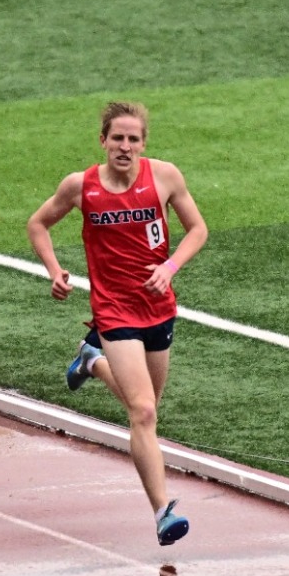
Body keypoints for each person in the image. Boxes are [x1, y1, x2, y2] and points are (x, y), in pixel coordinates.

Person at [28, 102, 208, 544]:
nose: (124, 146)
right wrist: (54, 270)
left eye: (133, 139)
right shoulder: (80, 186)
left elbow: (198, 230)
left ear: (144, 143)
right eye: (117, 138)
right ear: (103, 141)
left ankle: (91, 361)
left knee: (146, 407)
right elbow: (38, 224)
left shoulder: (165, 176)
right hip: (113, 310)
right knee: (143, 412)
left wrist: (169, 268)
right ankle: (163, 511)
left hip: (158, 308)